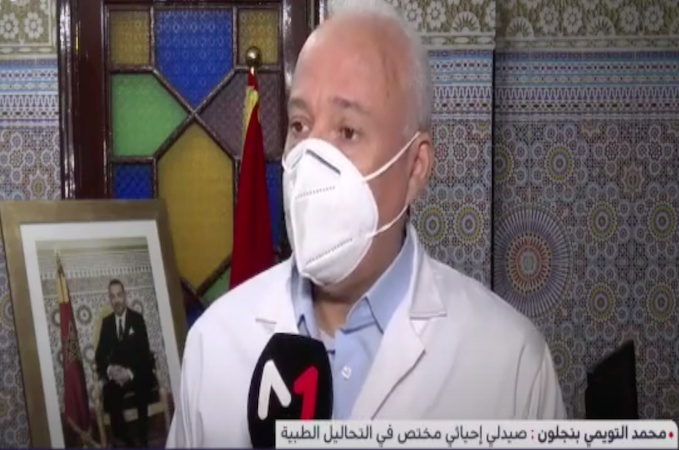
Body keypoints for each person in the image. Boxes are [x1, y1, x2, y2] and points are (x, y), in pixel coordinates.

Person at [167, 0, 566, 446]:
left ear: (415, 167)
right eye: (299, 125)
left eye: (347, 131)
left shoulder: (511, 367)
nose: (311, 159)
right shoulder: (213, 346)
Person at [95, 279, 153, 447]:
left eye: (119, 295)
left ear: (125, 296)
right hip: (116, 376)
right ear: (110, 299)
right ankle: (126, 440)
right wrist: (110, 369)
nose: (116, 300)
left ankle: (143, 439)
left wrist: (129, 373)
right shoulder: (107, 323)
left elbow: (144, 354)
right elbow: (99, 356)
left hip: (135, 373)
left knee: (143, 384)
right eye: (112, 296)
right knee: (109, 393)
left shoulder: (137, 319)